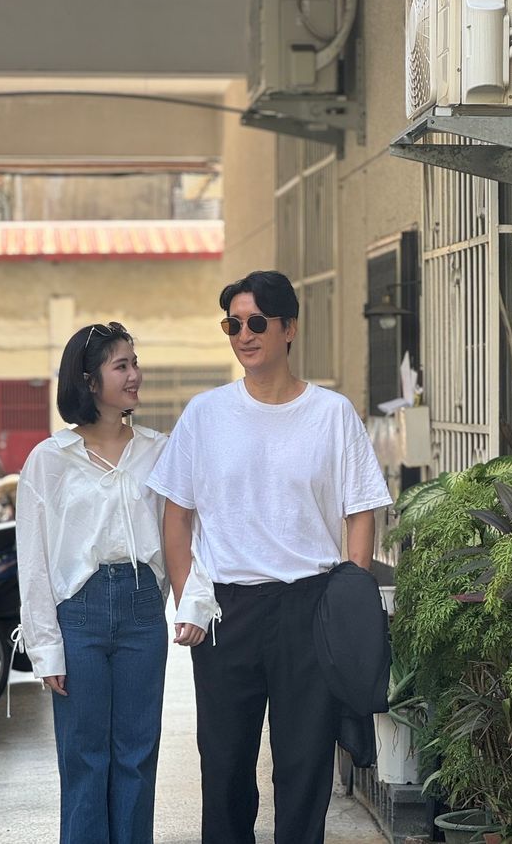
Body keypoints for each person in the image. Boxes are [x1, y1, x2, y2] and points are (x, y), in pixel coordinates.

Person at [146, 271, 392, 844]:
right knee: (225, 764)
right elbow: (176, 515)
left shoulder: (332, 414)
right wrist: (189, 598)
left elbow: (361, 511)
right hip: (227, 612)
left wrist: (348, 600)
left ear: (289, 328)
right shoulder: (205, 414)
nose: (244, 335)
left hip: (310, 606)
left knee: (305, 764)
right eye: (232, 325)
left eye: (257, 322)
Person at [15, 321, 168, 844]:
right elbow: (33, 558)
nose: (134, 374)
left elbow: (180, 535)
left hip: (143, 610)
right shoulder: (49, 459)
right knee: (84, 757)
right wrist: (45, 647)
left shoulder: (158, 450)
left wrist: (173, 599)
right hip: (78, 614)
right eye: (121, 365)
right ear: (88, 380)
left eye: (135, 363)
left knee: (137, 754)